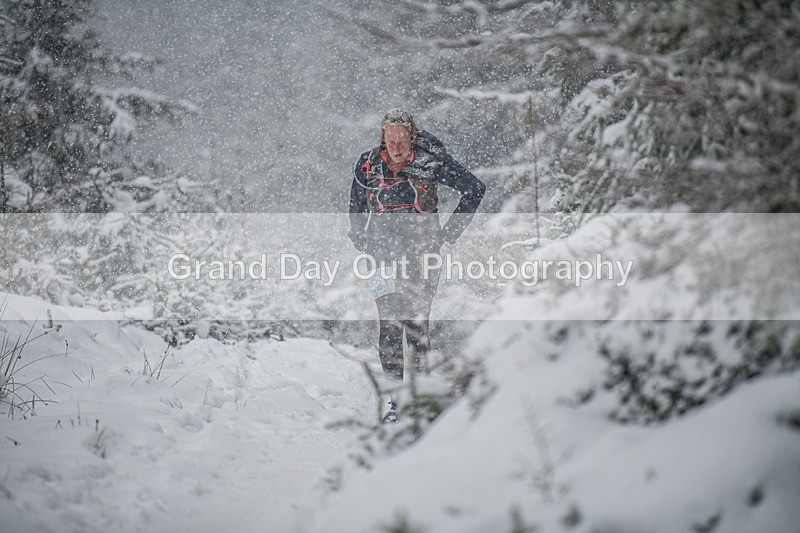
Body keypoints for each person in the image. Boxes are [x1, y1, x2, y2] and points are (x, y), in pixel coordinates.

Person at [348, 108, 485, 422]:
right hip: (382, 254)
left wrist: (449, 234)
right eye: (390, 139)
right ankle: (394, 403)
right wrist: (360, 236)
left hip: (422, 252)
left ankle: (419, 400)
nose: (396, 146)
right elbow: (355, 204)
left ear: (413, 137)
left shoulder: (430, 161)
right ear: (383, 138)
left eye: (402, 139)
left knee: (416, 324)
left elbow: (475, 189)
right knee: (389, 324)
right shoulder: (367, 164)